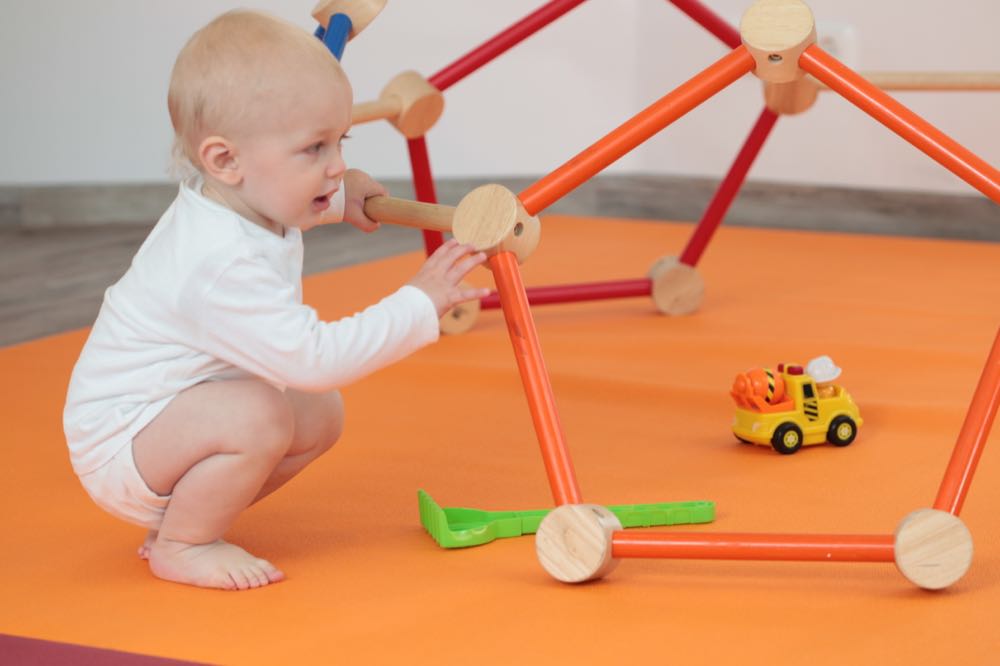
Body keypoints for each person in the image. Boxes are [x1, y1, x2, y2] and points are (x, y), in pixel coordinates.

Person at [63, 9, 489, 591]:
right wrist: (416, 303)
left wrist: (335, 199)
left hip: (166, 421)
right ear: (225, 160)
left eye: (340, 141)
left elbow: (276, 204)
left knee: (317, 418)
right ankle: (184, 543)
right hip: (121, 443)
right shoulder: (219, 261)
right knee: (264, 414)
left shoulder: (234, 200)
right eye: (314, 148)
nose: (337, 164)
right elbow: (313, 360)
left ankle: (185, 516)